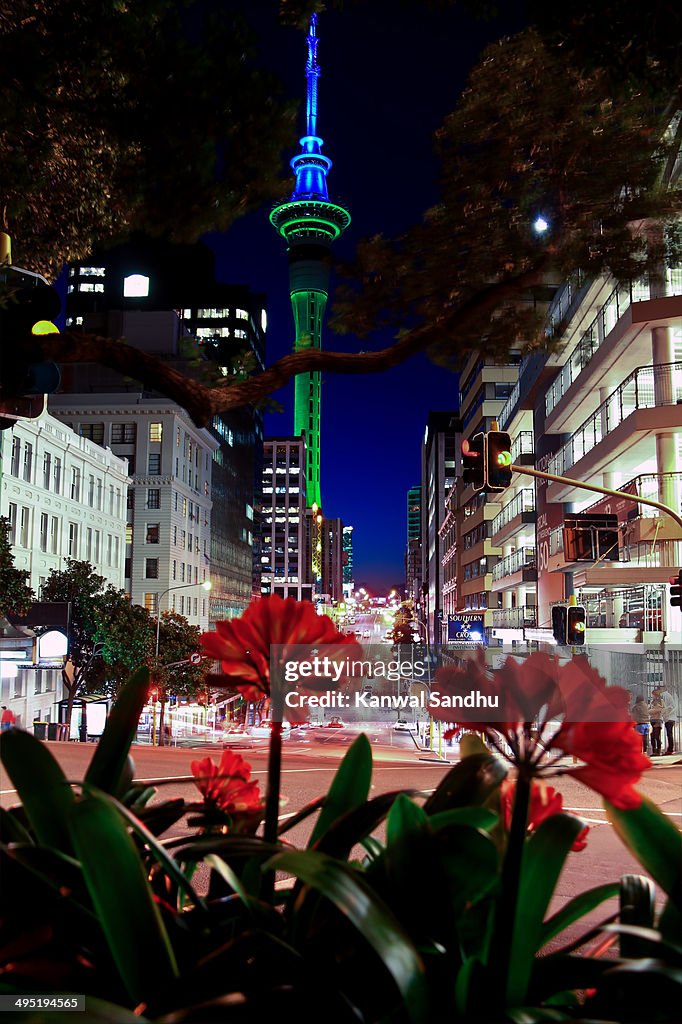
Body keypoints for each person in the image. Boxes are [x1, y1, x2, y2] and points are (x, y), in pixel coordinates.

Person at [653, 687, 678, 755]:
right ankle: (670, 749)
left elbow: (665, 707)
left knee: (669, 734)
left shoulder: (664, 695)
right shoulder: (668, 695)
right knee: (669, 734)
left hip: (669, 717)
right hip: (670, 717)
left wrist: (664, 712)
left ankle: (670, 749)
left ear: (660, 690)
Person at [649, 691, 665, 755]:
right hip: (652, 720)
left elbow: (660, 710)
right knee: (652, 736)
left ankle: (658, 750)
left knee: (657, 736)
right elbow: (649, 710)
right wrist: (653, 710)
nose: (653, 696)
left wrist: (653, 710)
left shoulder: (661, 701)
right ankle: (654, 750)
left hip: (658, 720)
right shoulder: (651, 702)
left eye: (653, 695)